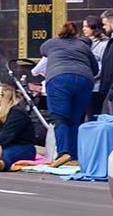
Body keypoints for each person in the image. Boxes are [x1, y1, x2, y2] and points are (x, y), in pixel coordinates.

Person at [40, 21, 98, 166]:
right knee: (76, 119)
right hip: (84, 80)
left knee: (60, 118)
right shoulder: (83, 46)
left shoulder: (51, 43)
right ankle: (74, 157)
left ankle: (63, 153)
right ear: (76, 33)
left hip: (59, 78)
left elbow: (43, 51)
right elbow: (95, 69)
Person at [0, 85, 37, 171]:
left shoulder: (17, 113)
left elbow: (7, 134)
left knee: (5, 154)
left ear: (4, 97)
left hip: (21, 146)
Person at [82, 14, 109, 119]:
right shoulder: (83, 42)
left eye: (87, 26)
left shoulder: (103, 44)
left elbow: (104, 64)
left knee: (93, 113)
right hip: (85, 83)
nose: (84, 29)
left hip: (96, 85)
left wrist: (94, 75)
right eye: (83, 26)